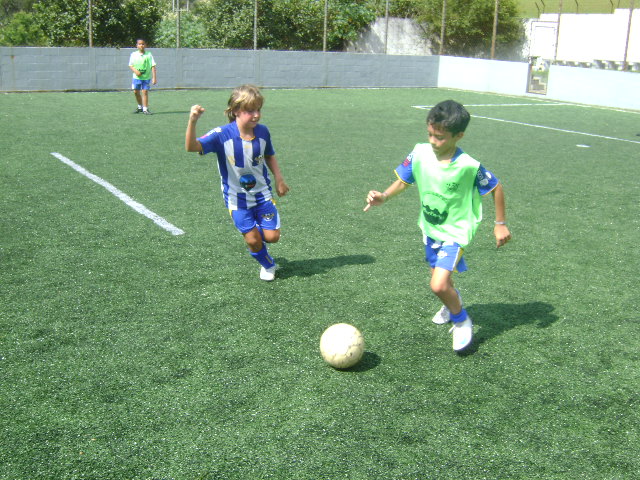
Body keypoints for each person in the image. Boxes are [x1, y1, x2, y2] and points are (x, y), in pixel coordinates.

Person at [364, 100, 511, 351]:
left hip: (457, 232)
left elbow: (496, 187)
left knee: (438, 284)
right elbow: (404, 180)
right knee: (441, 281)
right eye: (430, 134)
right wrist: (384, 196)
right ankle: (452, 302)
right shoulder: (419, 152)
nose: (433, 141)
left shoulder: (469, 166)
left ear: (459, 136)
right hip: (430, 229)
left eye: (440, 137)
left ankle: (461, 320)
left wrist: (500, 224)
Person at [185, 85, 290, 281]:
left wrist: (279, 179)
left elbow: (269, 155)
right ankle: (268, 264)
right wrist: (193, 121)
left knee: (272, 237)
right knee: (253, 240)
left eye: (258, 109)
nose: (256, 115)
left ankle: (255, 236)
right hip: (236, 199)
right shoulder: (221, 134)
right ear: (235, 111)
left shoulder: (263, 132)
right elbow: (191, 147)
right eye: (250, 111)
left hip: (263, 195)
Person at [128, 39, 157, 115]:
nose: (141, 45)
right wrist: (136, 71)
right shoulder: (133, 54)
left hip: (146, 78)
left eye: (143, 44)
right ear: (137, 45)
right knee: (136, 92)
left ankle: (145, 109)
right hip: (136, 78)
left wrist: (154, 78)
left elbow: (153, 66)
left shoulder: (149, 55)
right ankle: (140, 107)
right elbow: (130, 65)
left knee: (145, 92)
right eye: (139, 44)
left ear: (145, 45)